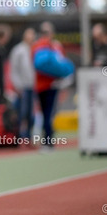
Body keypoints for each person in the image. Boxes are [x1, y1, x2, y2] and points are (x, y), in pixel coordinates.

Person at [32, 22, 62, 150]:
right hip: (47, 85)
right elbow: (61, 65)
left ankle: (47, 140)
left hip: (46, 85)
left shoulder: (37, 46)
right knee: (47, 113)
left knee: (46, 113)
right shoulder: (52, 46)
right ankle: (47, 140)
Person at [9, 27, 36, 139]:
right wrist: (17, 85)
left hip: (33, 86)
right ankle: (18, 136)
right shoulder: (18, 50)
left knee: (31, 114)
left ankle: (28, 136)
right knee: (21, 113)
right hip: (22, 87)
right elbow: (14, 69)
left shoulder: (35, 48)